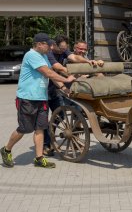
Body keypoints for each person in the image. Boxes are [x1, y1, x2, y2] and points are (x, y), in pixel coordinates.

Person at [0, 33, 76, 168]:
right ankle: (6, 149)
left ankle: (39, 158)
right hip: (27, 98)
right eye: (48, 44)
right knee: (24, 129)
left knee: (40, 128)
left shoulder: (44, 56)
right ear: (39, 44)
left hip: (41, 98)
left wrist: (64, 88)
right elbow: (47, 73)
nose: (51, 47)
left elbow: (52, 76)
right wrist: (66, 79)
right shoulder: (31, 55)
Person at [43, 36, 103, 156]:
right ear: (54, 45)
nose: (63, 51)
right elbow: (57, 68)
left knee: (68, 113)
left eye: (65, 49)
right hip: (48, 89)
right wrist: (74, 74)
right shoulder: (49, 54)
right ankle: (46, 144)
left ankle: (65, 140)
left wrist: (88, 62)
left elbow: (74, 57)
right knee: (52, 117)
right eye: (61, 49)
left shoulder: (64, 50)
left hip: (61, 87)